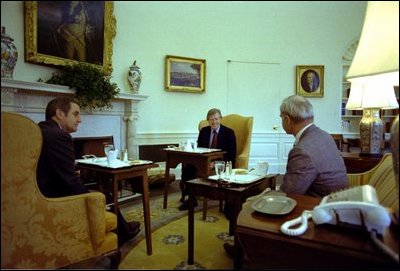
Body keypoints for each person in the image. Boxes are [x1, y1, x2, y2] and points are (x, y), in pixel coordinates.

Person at [36, 96, 140, 246]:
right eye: (76, 114)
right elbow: (69, 182)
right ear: (59, 113)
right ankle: (122, 235)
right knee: (103, 195)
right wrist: (91, 194)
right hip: (53, 198)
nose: (80, 119)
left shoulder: (41, 130)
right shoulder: (59, 136)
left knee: (100, 191)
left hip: (42, 192)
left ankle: (123, 228)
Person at [279, 95, 348, 196]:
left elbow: (288, 194)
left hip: (320, 206)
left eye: (281, 117)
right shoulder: (324, 135)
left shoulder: (302, 151)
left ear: (286, 120)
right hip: (340, 200)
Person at [178, 108, 237, 210]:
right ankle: (191, 199)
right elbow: (199, 149)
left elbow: (231, 154)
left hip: (222, 162)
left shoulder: (229, 132)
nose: (214, 122)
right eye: (211, 119)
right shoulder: (204, 131)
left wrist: (215, 164)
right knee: (187, 166)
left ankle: (226, 201)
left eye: (216, 119)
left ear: (220, 119)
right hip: (204, 160)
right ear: (208, 120)